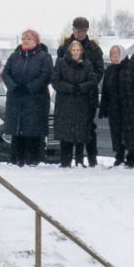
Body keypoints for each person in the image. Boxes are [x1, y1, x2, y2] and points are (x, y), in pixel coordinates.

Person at [51, 31, 103, 167]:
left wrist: (80, 88)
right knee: (66, 133)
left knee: (81, 132)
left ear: (82, 51)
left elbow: (93, 80)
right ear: (69, 51)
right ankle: (65, 161)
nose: (75, 52)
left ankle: (80, 160)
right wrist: (70, 88)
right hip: (65, 103)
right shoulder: (61, 63)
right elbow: (55, 81)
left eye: (78, 49)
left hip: (82, 103)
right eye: (73, 49)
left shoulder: (87, 64)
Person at [4, 28, 54, 165]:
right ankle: (16, 159)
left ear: (36, 42)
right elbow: (5, 73)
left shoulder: (44, 57)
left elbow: (46, 75)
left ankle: (33, 160)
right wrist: (14, 87)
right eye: (24, 38)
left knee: (33, 131)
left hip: (36, 100)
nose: (25, 41)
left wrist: (30, 87)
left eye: (29, 38)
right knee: (17, 131)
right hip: (16, 99)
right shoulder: (14, 56)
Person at [104, 42, 134, 166]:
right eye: (112, 54)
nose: (114, 56)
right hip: (114, 108)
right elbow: (105, 90)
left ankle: (131, 157)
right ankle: (119, 156)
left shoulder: (132, 67)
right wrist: (104, 107)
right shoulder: (109, 70)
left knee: (130, 133)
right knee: (116, 133)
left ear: (123, 54)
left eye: (116, 53)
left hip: (130, 107)